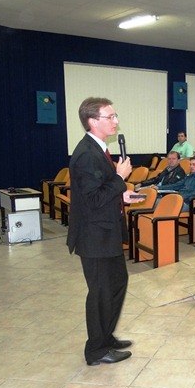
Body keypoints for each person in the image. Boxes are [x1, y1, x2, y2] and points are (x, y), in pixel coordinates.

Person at [67, 97, 138, 366]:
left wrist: (123, 196)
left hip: (105, 231)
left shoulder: (98, 149)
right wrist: (120, 178)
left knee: (117, 283)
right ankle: (95, 350)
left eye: (115, 115)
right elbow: (94, 200)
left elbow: (98, 194)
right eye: (110, 117)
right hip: (94, 236)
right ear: (92, 121)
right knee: (99, 292)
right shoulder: (87, 154)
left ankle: (105, 336)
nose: (116, 121)